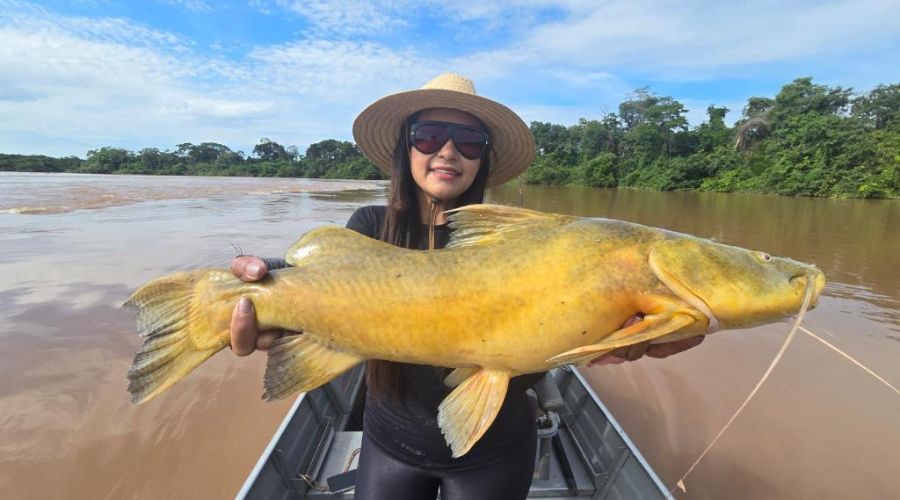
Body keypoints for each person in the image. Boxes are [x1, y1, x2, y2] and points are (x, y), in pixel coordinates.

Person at [227, 73, 704, 500]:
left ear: (483, 158)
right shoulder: (369, 225)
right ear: (406, 148)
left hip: (495, 450)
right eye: (429, 135)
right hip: (390, 443)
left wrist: (625, 332)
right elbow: (316, 283)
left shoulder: (527, 240)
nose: (448, 151)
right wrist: (257, 291)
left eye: (469, 141)